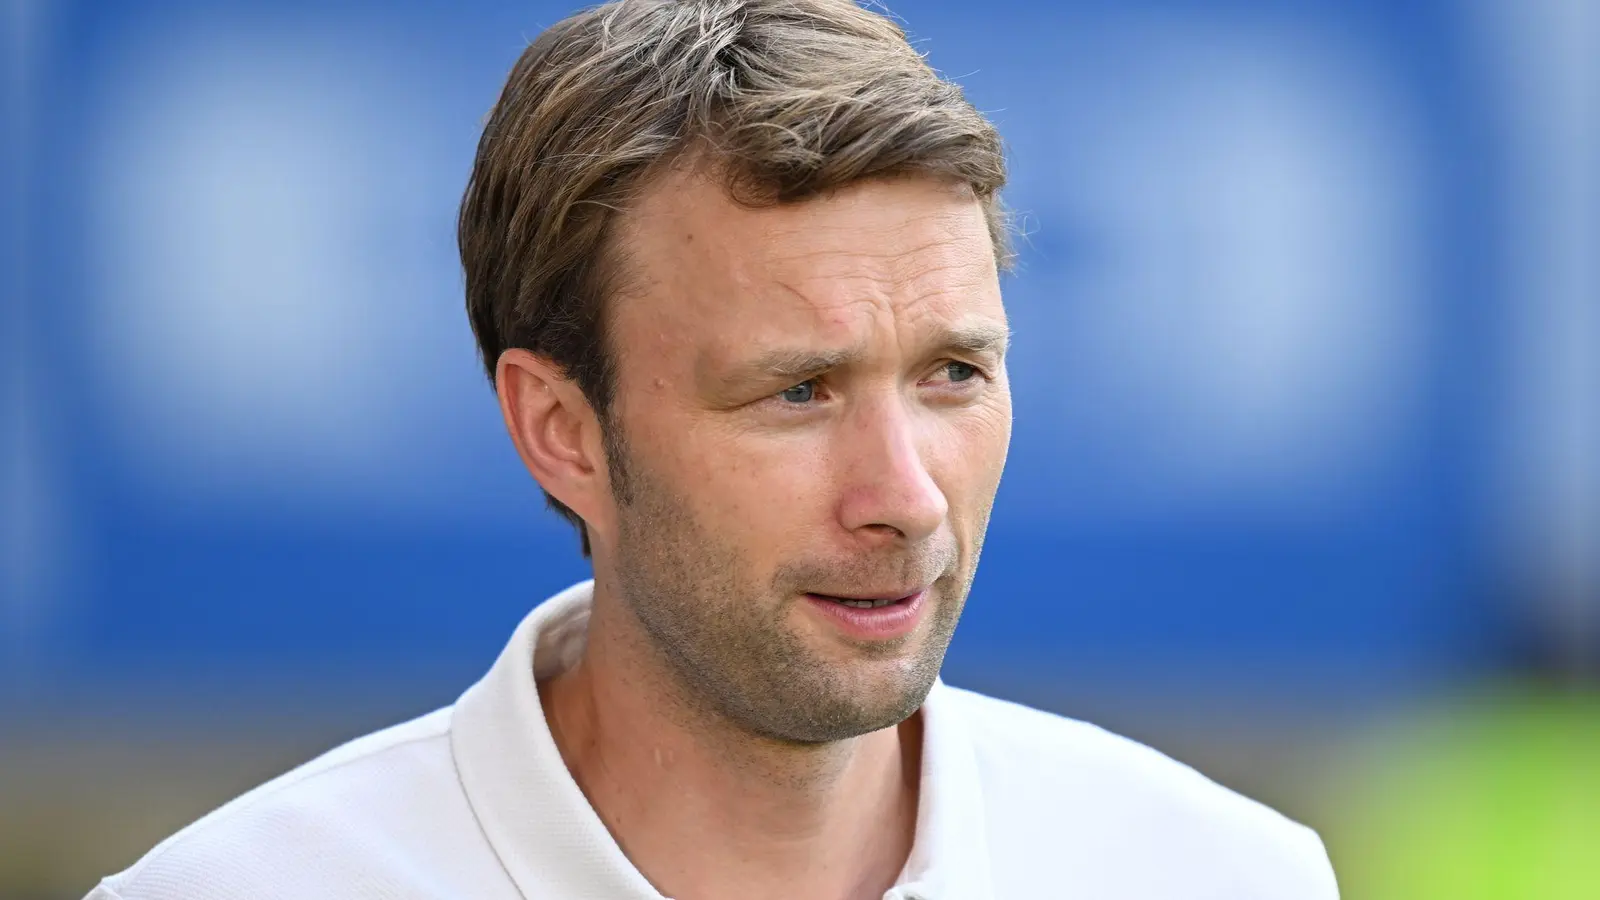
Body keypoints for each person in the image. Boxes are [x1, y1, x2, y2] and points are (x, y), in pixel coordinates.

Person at [87, 1, 1340, 897]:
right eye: (796, 392)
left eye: (953, 375)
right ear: (561, 431)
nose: (903, 498)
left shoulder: (1218, 873)